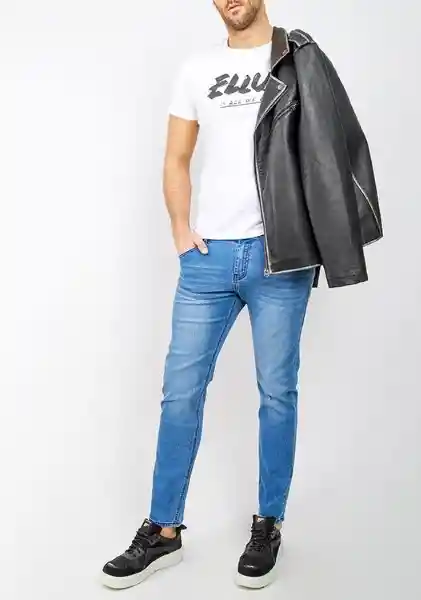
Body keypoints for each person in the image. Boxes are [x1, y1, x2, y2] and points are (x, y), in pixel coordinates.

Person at [102, 0, 382, 590]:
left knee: (277, 394)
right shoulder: (197, 69)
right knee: (180, 394)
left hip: (280, 258)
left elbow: (332, 149)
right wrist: (182, 232)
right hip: (207, 261)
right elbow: (176, 158)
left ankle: (268, 524)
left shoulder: (298, 59)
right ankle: (163, 531)